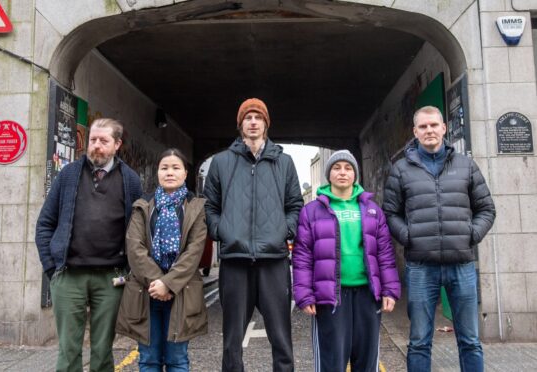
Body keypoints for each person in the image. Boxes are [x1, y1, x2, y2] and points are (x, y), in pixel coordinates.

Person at [383, 106, 496, 372]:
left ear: (444, 128)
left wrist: (471, 234)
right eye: (423, 127)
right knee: (419, 341)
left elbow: (486, 209)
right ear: (415, 132)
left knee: (469, 340)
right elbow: (390, 213)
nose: (429, 130)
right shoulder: (401, 170)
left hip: (462, 264)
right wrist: (409, 237)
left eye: (434, 125)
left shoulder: (466, 165)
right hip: (421, 266)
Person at [204, 98, 304, 372]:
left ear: (266, 123)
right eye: (247, 117)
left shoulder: (284, 162)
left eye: (258, 117)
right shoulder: (222, 162)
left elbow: (295, 204)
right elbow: (210, 205)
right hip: (235, 260)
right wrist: (220, 230)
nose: (252, 122)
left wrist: (285, 230)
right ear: (240, 124)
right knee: (232, 341)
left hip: (274, 260)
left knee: (281, 339)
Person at [35, 118, 143, 371]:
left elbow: (138, 230)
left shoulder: (131, 180)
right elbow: (44, 225)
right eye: (93, 140)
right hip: (69, 274)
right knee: (68, 350)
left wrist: (130, 270)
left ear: (117, 144)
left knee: (103, 349)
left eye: (103, 141)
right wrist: (51, 268)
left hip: (111, 277)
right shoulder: (68, 175)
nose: (96, 145)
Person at [292, 150, 401, 372]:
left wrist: (390, 290)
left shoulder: (372, 210)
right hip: (330, 297)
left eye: (348, 168)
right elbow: (302, 256)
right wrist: (304, 294)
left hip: (367, 295)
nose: (343, 172)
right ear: (329, 174)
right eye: (337, 168)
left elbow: (385, 253)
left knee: (367, 361)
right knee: (332, 361)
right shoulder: (311, 211)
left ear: (355, 174)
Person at [116, 148, 208, 371]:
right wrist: (157, 282)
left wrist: (168, 284)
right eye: (164, 168)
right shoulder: (142, 206)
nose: (170, 172)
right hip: (146, 293)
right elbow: (135, 247)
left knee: (178, 360)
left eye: (176, 168)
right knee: (148, 359)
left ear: (185, 173)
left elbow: (194, 251)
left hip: (182, 292)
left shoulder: (196, 208)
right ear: (157, 173)